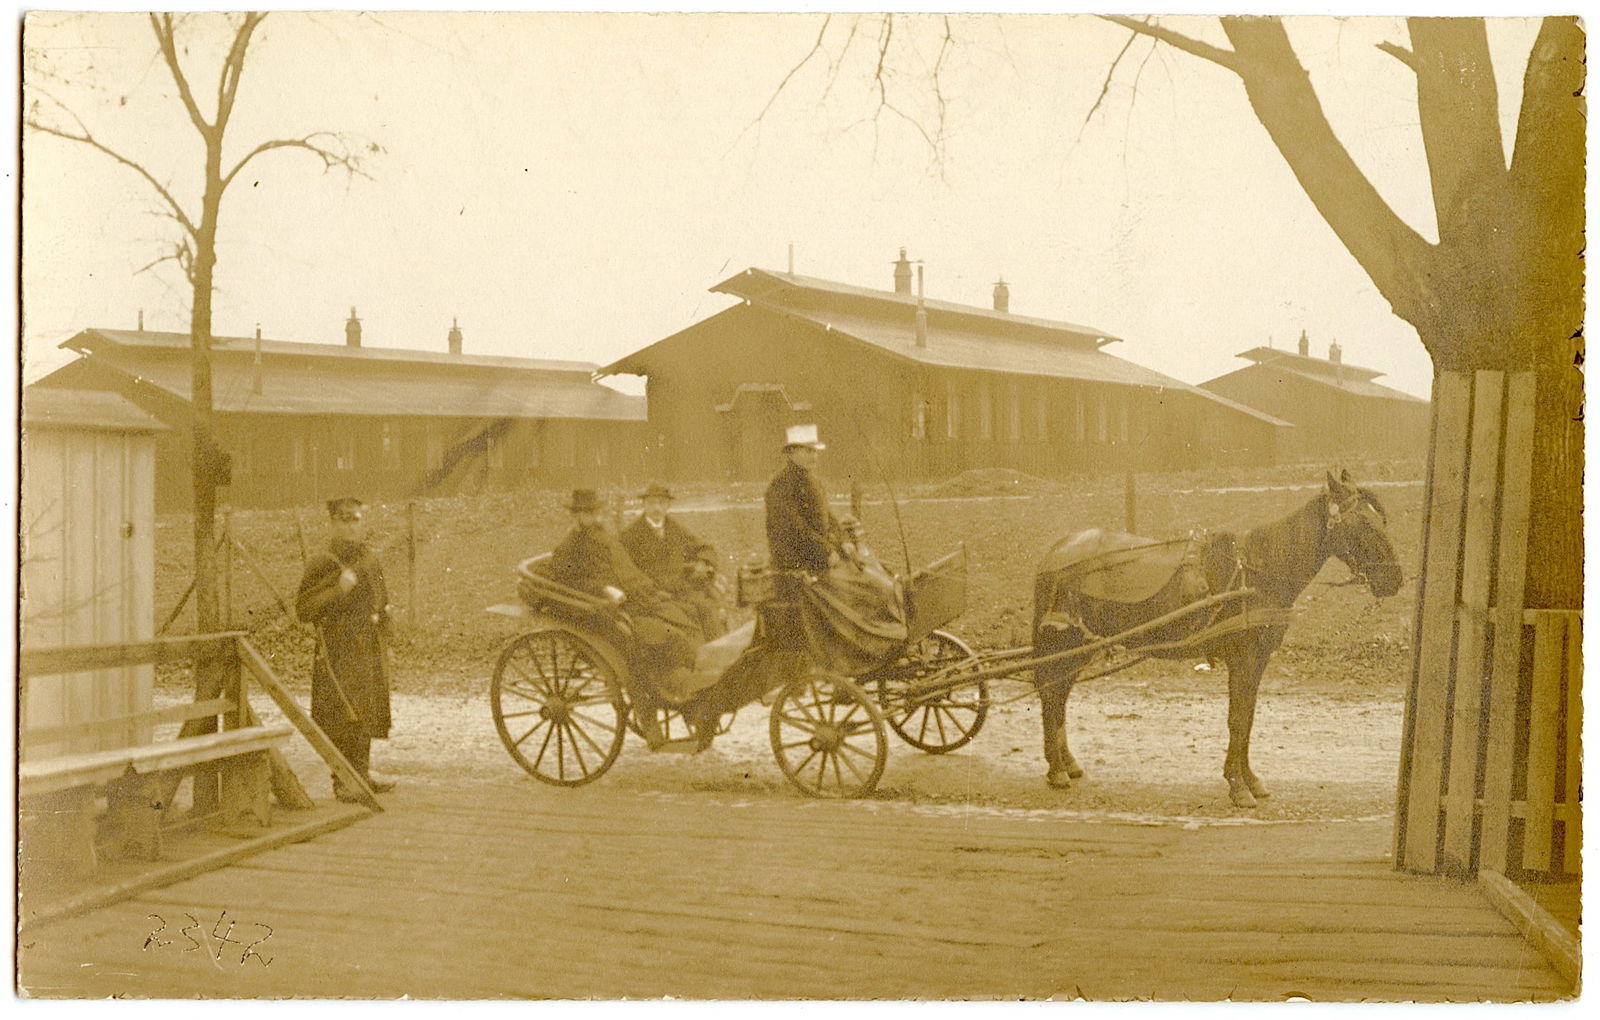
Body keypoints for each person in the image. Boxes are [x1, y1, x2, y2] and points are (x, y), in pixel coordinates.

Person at [681, 425, 907, 746]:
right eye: (806, 451)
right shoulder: (780, 488)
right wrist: (826, 552)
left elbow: (827, 519)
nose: (813, 457)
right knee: (859, 593)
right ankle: (854, 659)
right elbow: (794, 532)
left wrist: (843, 545)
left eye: (814, 451)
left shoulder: (813, 482)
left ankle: (868, 653)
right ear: (791, 454)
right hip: (794, 570)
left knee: (873, 580)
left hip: (817, 562)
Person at [544, 489, 708, 739]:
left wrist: (649, 590)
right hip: (607, 609)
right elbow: (564, 580)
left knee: (687, 618)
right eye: (589, 513)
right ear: (576, 516)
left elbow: (627, 569)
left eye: (597, 511)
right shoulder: (570, 547)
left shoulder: (604, 536)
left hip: (639, 597)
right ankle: (653, 708)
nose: (596, 516)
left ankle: (691, 692)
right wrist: (603, 589)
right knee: (668, 636)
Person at [296, 497, 396, 803]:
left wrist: (387, 638)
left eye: (355, 519)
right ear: (333, 523)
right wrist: (339, 590)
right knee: (341, 713)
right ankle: (341, 781)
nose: (350, 525)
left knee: (366, 711)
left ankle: (361, 775)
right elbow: (304, 609)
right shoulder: (322, 561)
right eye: (344, 519)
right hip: (338, 649)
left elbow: (384, 601)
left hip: (367, 646)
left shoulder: (369, 558)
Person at [620, 483, 726, 639]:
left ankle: (719, 654)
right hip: (654, 595)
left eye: (661, 503)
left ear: (668, 505)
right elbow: (626, 570)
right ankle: (700, 657)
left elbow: (705, 548)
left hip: (681, 589)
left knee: (708, 609)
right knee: (689, 616)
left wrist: (703, 562)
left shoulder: (675, 528)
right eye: (652, 503)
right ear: (644, 505)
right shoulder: (630, 534)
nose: (657, 508)